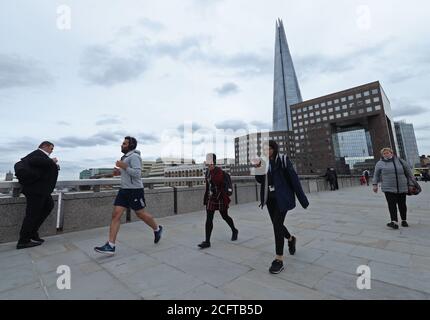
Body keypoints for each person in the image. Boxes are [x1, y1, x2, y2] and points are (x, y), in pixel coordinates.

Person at [95, 137, 163, 255]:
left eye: (124, 144)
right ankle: (111, 245)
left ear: (130, 145)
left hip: (135, 190)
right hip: (124, 190)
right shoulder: (125, 157)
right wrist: (118, 171)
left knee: (140, 214)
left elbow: (137, 174)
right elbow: (126, 172)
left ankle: (157, 229)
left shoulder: (135, 157)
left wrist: (124, 166)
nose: (122, 145)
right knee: (115, 215)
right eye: (122, 143)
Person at [254, 141, 309, 274]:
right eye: (265, 149)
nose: (267, 151)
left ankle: (279, 259)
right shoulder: (264, 163)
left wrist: (303, 200)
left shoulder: (283, 160)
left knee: (277, 224)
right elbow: (260, 181)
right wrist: (257, 168)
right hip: (270, 198)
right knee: (276, 224)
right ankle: (291, 239)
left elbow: (294, 179)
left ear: (274, 149)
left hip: (282, 198)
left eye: (269, 148)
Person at [17, 141, 60, 249]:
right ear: (44, 146)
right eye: (51, 148)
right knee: (31, 215)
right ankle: (23, 240)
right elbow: (34, 161)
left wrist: (53, 165)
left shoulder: (41, 157)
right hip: (35, 191)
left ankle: (33, 233)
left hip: (42, 191)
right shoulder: (37, 154)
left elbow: (40, 168)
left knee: (48, 206)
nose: (52, 151)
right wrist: (51, 161)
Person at [198, 153, 238, 249]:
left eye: (211, 162)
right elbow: (208, 187)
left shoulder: (219, 172)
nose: (209, 164)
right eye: (208, 163)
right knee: (209, 219)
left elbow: (220, 183)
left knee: (225, 216)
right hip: (211, 198)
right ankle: (207, 241)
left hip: (220, 197)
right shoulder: (207, 172)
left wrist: (212, 177)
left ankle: (234, 230)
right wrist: (206, 198)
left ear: (214, 162)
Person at [372, 147, 415, 229]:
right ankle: (394, 222)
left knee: (402, 204)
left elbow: (409, 173)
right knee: (391, 205)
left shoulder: (400, 161)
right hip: (388, 187)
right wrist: (375, 184)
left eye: (388, 152)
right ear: (382, 155)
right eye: (384, 153)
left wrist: (411, 184)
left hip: (402, 186)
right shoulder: (380, 163)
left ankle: (404, 220)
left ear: (392, 153)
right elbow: (376, 175)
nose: (386, 154)